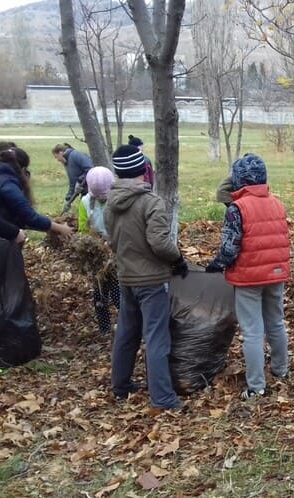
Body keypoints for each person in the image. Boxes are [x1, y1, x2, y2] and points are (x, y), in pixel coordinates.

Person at [104, 144, 188, 411]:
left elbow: (113, 241)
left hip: (126, 277)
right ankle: (163, 398)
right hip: (151, 281)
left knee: (127, 333)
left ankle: (121, 384)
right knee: (156, 337)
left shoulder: (111, 203)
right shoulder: (150, 202)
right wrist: (178, 260)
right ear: (144, 170)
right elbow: (160, 243)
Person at [205, 154, 290, 400]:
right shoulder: (277, 203)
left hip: (248, 277)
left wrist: (217, 264)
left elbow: (230, 248)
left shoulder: (237, 208)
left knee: (252, 331)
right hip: (275, 273)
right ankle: (281, 370)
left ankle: (256, 386)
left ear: (238, 179)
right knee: (275, 322)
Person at [78, 166, 120, 334]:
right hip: (97, 256)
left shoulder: (118, 201)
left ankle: (129, 326)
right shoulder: (85, 202)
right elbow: (82, 228)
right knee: (100, 294)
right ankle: (104, 329)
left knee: (119, 294)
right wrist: (93, 241)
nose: (102, 199)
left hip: (118, 253)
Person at [0, 147, 73, 238]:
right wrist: (61, 228)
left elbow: (18, 218)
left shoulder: (3, 175)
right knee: (18, 237)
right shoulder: (7, 183)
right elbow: (29, 217)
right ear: (22, 169)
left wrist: (49, 225)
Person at [52, 143, 94, 214]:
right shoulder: (68, 162)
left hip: (93, 190)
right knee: (83, 211)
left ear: (60, 152)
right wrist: (68, 200)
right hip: (85, 191)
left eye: (56, 157)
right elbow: (73, 183)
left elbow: (91, 169)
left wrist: (80, 180)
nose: (57, 160)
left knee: (88, 213)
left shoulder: (76, 155)